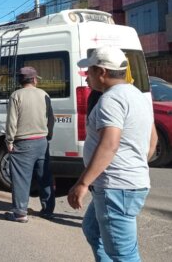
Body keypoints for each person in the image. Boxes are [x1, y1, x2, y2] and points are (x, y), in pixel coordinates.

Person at [68, 46, 156, 261]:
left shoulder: (111, 100)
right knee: (93, 230)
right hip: (123, 184)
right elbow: (152, 138)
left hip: (116, 187)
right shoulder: (137, 95)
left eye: (89, 71)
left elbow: (109, 144)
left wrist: (82, 183)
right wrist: (135, 164)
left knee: (123, 254)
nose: (86, 77)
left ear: (102, 72)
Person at [4, 66, 55, 223]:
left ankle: (20, 212)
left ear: (20, 80)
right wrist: (49, 135)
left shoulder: (16, 95)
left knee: (21, 178)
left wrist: (9, 141)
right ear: (34, 79)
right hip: (42, 141)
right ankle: (48, 210)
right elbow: (51, 119)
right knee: (44, 176)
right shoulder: (44, 94)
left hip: (23, 142)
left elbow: (12, 121)